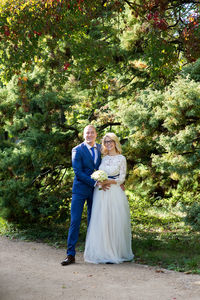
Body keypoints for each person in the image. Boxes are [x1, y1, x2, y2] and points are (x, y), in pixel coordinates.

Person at [84, 132, 134, 264]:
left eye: (110, 141)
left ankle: (115, 252)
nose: (108, 144)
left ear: (115, 142)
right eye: (106, 142)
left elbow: (122, 178)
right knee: (102, 221)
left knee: (114, 220)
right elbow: (97, 173)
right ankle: (103, 252)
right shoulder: (104, 158)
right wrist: (99, 181)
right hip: (101, 193)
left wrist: (108, 182)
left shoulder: (121, 158)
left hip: (114, 192)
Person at [61, 125, 102, 266]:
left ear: (96, 134)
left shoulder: (100, 149)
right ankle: (70, 254)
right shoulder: (77, 150)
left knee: (93, 221)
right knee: (75, 221)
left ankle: (92, 252)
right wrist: (94, 183)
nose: (89, 135)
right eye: (87, 133)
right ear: (83, 135)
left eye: (92, 132)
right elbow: (77, 172)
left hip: (96, 192)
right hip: (80, 190)